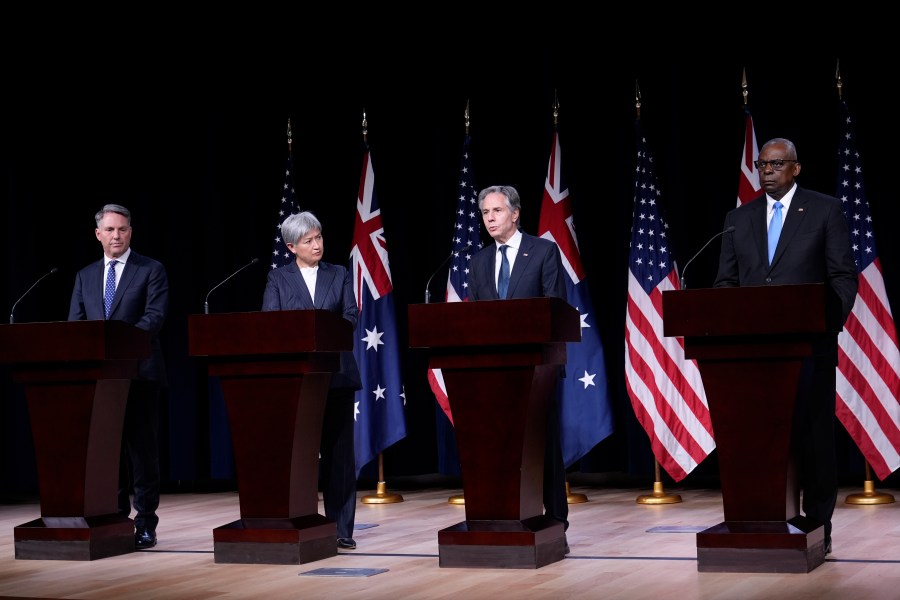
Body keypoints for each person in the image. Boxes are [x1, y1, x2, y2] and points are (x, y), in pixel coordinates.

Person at [714, 138, 858, 555]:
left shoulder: (824, 209)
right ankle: (763, 524)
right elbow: (726, 284)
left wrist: (826, 324)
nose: (767, 170)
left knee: (813, 440)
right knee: (760, 440)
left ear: (796, 168)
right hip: (753, 357)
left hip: (810, 349)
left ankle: (817, 528)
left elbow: (843, 277)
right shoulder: (737, 219)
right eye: (762, 164)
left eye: (777, 164)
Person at [468, 184, 570, 548]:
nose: (490, 219)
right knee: (501, 447)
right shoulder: (478, 261)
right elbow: (474, 317)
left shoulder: (543, 252)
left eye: (497, 211)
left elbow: (554, 310)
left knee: (544, 446)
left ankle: (556, 521)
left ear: (515, 213)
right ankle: (506, 517)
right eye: (485, 213)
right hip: (493, 373)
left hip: (537, 371)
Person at [68, 204, 169, 550]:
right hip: (101, 381)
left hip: (139, 375)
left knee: (142, 453)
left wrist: (117, 347)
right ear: (98, 234)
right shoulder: (85, 276)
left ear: (131, 232)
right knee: (107, 453)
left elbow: (154, 318)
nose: (116, 236)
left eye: (122, 229)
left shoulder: (150, 270)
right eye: (110, 230)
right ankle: (114, 517)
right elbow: (77, 325)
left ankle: (145, 524)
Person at [262, 211, 361, 551]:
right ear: (292, 246)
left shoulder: (339, 274)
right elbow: (271, 325)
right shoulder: (278, 279)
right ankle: (301, 521)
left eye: (319, 237)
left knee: (340, 458)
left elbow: (350, 316)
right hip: (298, 381)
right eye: (309, 240)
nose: (317, 245)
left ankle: (341, 528)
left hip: (337, 375)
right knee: (300, 456)